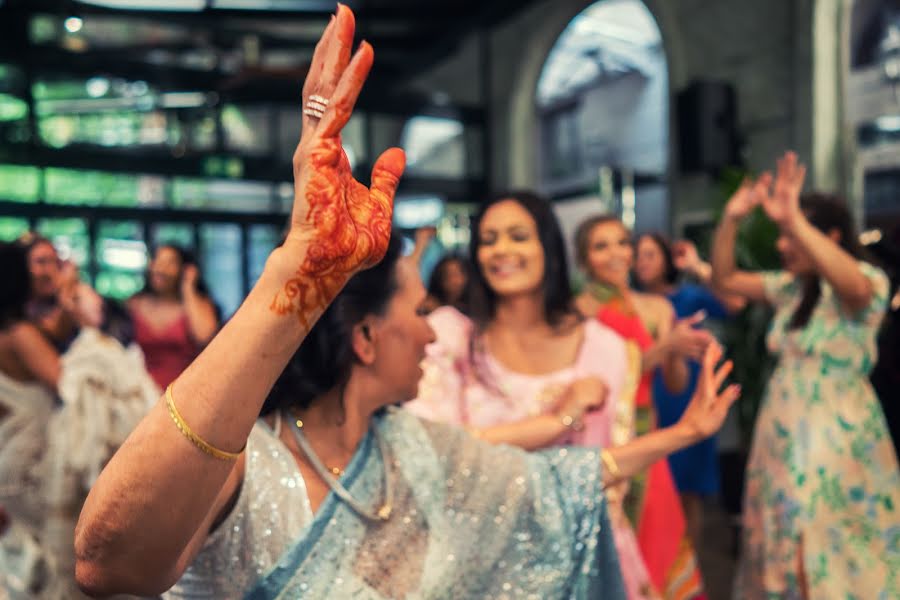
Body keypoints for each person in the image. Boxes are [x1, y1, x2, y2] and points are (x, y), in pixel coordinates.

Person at [73, 8, 740, 599]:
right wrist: (293, 282)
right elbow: (108, 564)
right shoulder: (251, 467)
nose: (432, 335)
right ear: (364, 338)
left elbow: (549, 482)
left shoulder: (410, 450)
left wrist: (683, 435)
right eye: (419, 314)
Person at [406, 191, 664, 599]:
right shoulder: (451, 337)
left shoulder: (601, 348)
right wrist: (556, 421)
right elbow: (433, 448)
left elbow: (602, 474)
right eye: (489, 240)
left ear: (548, 246)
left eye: (517, 236)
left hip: (580, 565)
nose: (501, 250)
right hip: (476, 566)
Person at [711, 152, 900, 599]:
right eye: (781, 234)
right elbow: (725, 279)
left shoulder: (867, 281)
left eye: (790, 236)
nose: (781, 245)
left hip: (838, 436)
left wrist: (795, 220)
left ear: (829, 237)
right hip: (781, 434)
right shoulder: (791, 291)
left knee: (825, 538)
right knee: (780, 536)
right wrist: (731, 219)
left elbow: (852, 288)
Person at [0, 241, 156, 599]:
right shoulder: (20, 335)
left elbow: (53, 332)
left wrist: (68, 294)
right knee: (50, 559)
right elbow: (67, 382)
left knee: (31, 557)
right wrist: (93, 337)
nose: (45, 273)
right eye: (35, 266)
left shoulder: (17, 330)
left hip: (12, 450)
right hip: (31, 461)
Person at [573, 216, 714, 597]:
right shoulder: (576, 313)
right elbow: (605, 382)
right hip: (602, 442)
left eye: (621, 243)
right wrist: (663, 350)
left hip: (648, 437)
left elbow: (675, 382)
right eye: (601, 246)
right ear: (584, 259)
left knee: (659, 543)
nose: (616, 254)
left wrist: (676, 352)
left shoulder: (657, 308)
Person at [632, 233, 745, 547]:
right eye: (638, 255)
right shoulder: (629, 303)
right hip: (648, 398)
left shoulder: (690, 296)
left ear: (666, 260)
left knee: (687, 491)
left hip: (686, 399)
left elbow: (735, 302)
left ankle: (687, 574)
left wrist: (697, 266)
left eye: (651, 254)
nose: (642, 262)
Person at [128, 244, 219, 390]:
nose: (160, 268)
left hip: (185, 393)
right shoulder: (135, 303)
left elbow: (204, 337)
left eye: (170, 263)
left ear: (183, 269)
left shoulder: (197, 304)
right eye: (157, 260)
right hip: (141, 394)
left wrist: (188, 288)